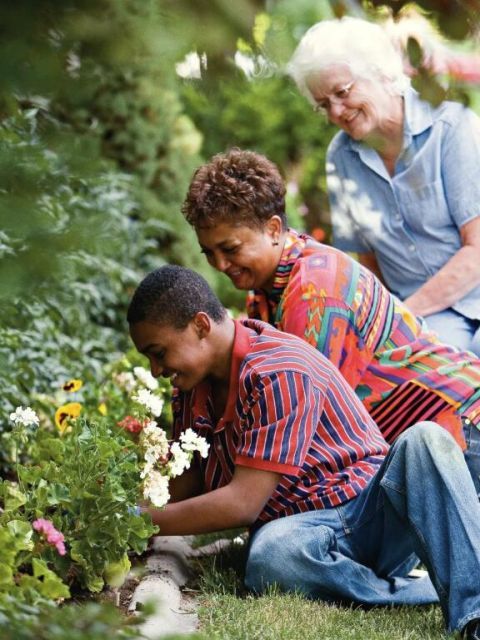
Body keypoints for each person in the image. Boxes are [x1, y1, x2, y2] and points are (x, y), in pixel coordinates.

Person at [127, 264, 480, 638]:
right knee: (270, 559)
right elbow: (189, 481)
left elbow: (242, 504)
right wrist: (123, 519)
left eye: (158, 352)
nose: (155, 370)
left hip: (367, 512)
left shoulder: (277, 370)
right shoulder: (192, 385)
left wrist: (141, 519)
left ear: (200, 325)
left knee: (425, 439)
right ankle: (414, 590)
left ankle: (474, 612)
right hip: (304, 528)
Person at [181, 148, 480, 495]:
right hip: (418, 441)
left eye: (230, 249)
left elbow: (300, 423)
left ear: (274, 228)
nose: (219, 264)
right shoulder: (264, 293)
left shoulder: (315, 293)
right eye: (209, 253)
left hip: (460, 426)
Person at [286, 16, 480, 355]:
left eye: (342, 92)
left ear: (381, 71)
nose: (336, 112)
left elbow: (477, 250)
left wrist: (402, 318)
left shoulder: (451, 126)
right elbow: (367, 262)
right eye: (323, 104)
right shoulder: (341, 157)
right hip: (426, 319)